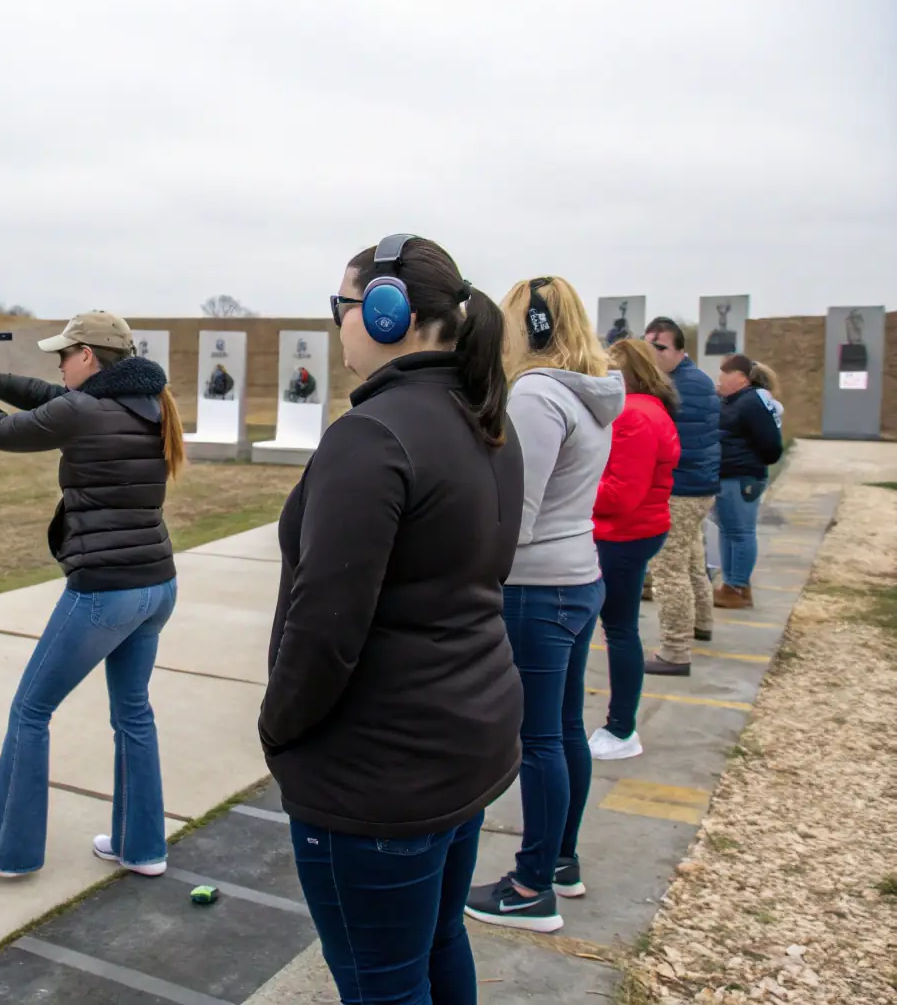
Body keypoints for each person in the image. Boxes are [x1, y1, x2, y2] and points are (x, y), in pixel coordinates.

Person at [259, 234, 524, 1003]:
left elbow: (325, 624)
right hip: (459, 744)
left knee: (382, 984)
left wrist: (279, 727)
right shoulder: (482, 419)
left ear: (384, 315)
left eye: (339, 306)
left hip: (375, 772)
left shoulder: (370, 436)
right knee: (437, 943)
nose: (336, 322)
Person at [0, 311, 185, 880]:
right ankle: (142, 847)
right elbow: (48, 396)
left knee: (30, 711)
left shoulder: (87, 409)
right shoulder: (147, 403)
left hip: (105, 590)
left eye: (64, 355)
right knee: (134, 715)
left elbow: (2, 432)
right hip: (156, 585)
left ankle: (5, 852)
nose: (60, 366)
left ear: (89, 357)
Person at [465, 276, 624, 934]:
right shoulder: (591, 390)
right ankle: (558, 862)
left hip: (536, 588)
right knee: (560, 732)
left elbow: (515, 519)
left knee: (537, 742)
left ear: (527, 328)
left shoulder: (535, 394)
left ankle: (531, 886)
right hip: (575, 578)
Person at [587, 340, 681, 761]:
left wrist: (570, 488)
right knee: (618, 628)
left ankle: (622, 728)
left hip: (623, 534)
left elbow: (621, 494)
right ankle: (621, 725)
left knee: (620, 629)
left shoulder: (634, 415)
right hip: (632, 530)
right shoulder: (648, 410)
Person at [641, 317, 720, 677]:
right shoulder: (698, 380)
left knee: (668, 570)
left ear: (680, 350)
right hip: (698, 487)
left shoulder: (675, 388)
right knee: (691, 562)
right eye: (649, 345)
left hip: (681, 490)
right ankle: (702, 623)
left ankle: (675, 650)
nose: (653, 353)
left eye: (661, 347)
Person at [712, 355, 784, 608]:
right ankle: (732, 583)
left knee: (741, 532)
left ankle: (737, 587)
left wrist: (749, 463)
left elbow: (772, 446)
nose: (719, 378)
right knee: (729, 531)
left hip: (743, 478)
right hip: (729, 476)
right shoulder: (735, 401)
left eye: (724, 374)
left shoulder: (752, 402)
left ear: (741, 378)